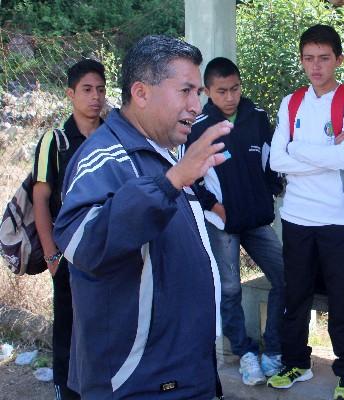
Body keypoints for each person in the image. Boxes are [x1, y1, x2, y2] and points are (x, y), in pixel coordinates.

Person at [52, 35, 233, 399]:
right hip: (138, 382)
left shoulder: (164, 151)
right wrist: (171, 182)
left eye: (198, 92)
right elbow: (81, 243)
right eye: (185, 91)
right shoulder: (104, 158)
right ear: (142, 92)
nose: (197, 105)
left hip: (182, 371)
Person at [267, 24, 344, 400]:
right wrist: (322, 153)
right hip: (295, 216)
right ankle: (296, 362)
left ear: (338, 60)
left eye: (324, 58)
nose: (316, 66)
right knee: (295, 297)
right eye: (309, 58)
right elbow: (277, 160)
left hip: (338, 218)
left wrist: (298, 152)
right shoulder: (291, 102)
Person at [181, 56, 285, 385]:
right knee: (229, 289)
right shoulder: (198, 126)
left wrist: (270, 191)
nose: (230, 97)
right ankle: (245, 353)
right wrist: (214, 206)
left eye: (235, 88)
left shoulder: (256, 117)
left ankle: (274, 349)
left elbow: (271, 158)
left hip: (256, 218)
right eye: (222, 91)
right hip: (222, 222)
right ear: (207, 91)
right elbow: (190, 173)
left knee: (286, 277)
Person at [32, 58, 106, 400]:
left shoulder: (111, 134)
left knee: (105, 323)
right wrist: (51, 255)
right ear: (70, 94)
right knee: (69, 325)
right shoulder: (56, 140)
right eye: (87, 90)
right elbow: (41, 197)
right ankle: (67, 389)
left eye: (100, 90)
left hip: (107, 249)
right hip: (67, 253)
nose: (95, 97)